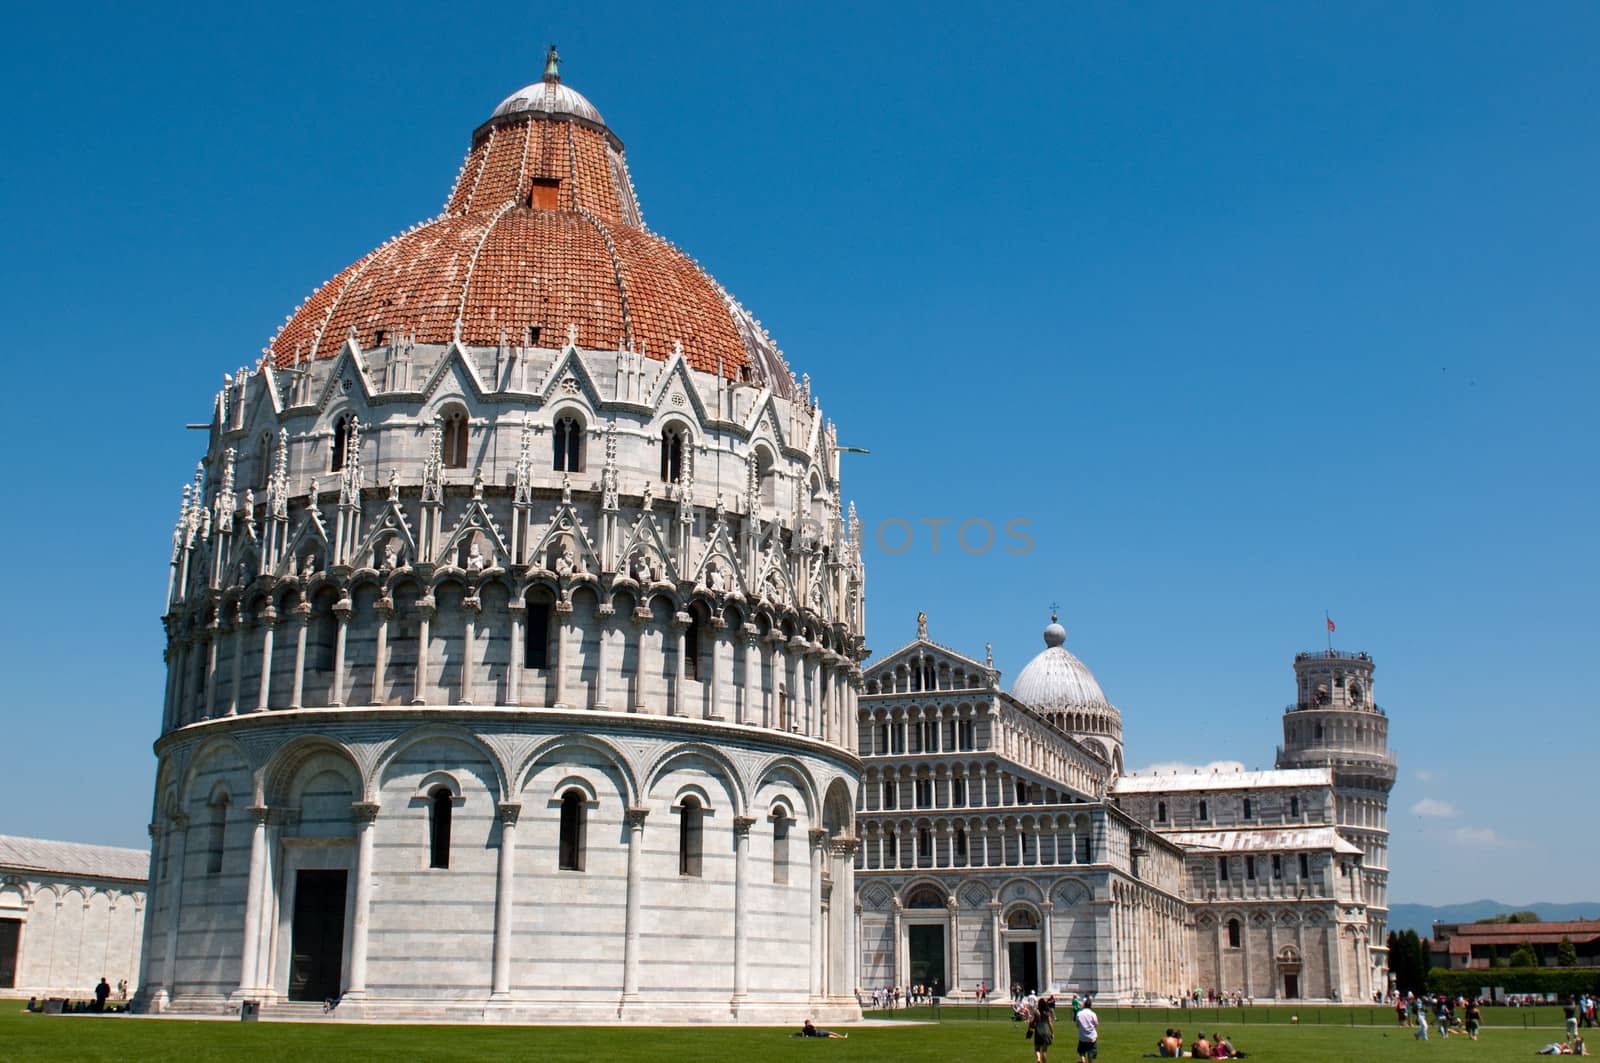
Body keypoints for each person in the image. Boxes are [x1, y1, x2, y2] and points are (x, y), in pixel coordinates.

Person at [1029, 994, 1057, 1063]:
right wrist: (1052, 1033)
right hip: (1046, 1030)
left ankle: (1038, 1059)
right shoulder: (1047, 1012)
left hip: (1038, 1031)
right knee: (1044, 1050)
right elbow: (1050, 1023)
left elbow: (1032, 1022)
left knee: (1037, 1048)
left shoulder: (1036, 1011)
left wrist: (1030, 1028)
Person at [1075, 996, 1099, 1063]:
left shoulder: (1079, 1013)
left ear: (1084, 1005)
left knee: (1082, 1052)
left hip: (1082, 1036)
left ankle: (1083, 1060)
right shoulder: (1093, 1014)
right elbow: (1096, 1024)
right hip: (1091, 1037)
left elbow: (1077, 1025)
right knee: (1091, 1053)